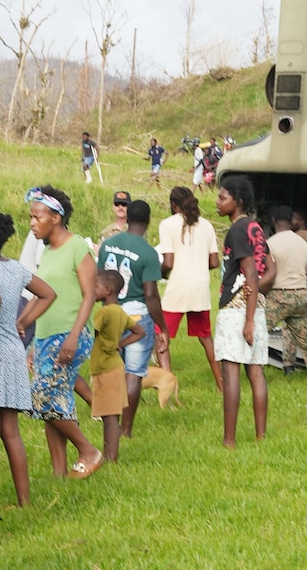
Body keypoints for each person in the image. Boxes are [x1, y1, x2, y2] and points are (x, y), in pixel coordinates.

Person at [0, 212, 53, 509]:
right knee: (13, 433)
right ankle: (24, 500)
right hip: (14, 351)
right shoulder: (17, 269)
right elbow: (48, 294)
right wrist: (23, 320)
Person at [26, 186, 105, 479]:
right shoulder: (46, 251)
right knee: (54, 402)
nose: (32, 223)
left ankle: (88, 450)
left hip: (71, 335)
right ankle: (59, 474)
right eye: (31, 217)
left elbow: (88, 296)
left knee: (40, 396)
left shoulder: (77, 248)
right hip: (46, 335)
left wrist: (73, 336)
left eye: (37, 217)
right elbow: (42, 296)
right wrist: (33, 341)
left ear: (56, 217)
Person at [96, 197, 166, 437]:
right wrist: (162, 327)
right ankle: (125, 430)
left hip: (109, 312)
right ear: (148, 221)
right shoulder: (148, 252)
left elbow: (99, 281)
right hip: (136, 314)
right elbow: (151, 294)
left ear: (127, 218)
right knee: (133, 373)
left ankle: (109, 421)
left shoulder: (108, 244)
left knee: (111, 368)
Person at [213, 175, 270, 444]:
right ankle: (260, 436)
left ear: (238, 201)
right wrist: (255, 289)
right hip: (254, 305)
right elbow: (270, 270)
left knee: (231, 371)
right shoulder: (255, 227)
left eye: (223, 197)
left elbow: (249, 270)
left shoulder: (236, 231)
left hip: (237, 310)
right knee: (256, 372)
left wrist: (247, 320)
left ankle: (229, 440)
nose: (217, 202)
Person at [157, 185, 221, 389]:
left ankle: (167, 383)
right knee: (205, 337)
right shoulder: (207, 226)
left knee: (161, 335)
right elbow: (214, 262)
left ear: (174, 205)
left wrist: (159, 274)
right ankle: (221, 384)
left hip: (178, 286)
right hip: (200, 287)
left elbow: (168, 262)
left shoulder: (167, 224)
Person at [84, 270, 142, 463]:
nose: (92, 291)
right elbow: (139, 331)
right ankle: (111, 457)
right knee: (112, 416)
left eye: (95, 288)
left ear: (107, 290)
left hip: (105, 368)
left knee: (109, 418)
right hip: (116, 367)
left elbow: (89, 329)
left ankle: (111, 459)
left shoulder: (104, 312)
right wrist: (121, 344)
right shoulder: (120, 312)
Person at [265, 205, 307, 380]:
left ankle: (252, 370)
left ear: (274, 221)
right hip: (301, 294)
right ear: (292, 220)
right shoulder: (302, 243)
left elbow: (270, 273)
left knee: (258, 331)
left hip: (280, 295)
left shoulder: (270, 243)